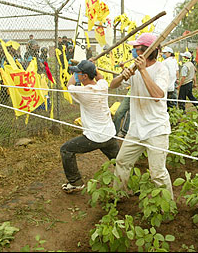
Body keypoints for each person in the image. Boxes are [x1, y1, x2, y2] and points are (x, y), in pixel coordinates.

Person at [109, 32, 173, 198]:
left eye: (138, 50)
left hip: (156, 129)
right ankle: (119, 196)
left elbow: (157, 95)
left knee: (157, 173)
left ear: (149, 52)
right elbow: (112, 85)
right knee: (122, 162)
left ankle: (168, 207)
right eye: (135, 50)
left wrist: (142, 70)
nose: (135, 53)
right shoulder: (134, 70)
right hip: (136, 129)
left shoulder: (161, 69)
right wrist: (123, 75)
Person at [60, 60, 120, 193]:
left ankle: (75, 182)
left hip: (94, 137)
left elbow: (69, 85)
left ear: (84, 76)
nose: (77, 75)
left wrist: (74, 74)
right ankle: (131, 182)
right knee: (120, 163)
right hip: (109, 133)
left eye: (78, 73)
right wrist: (93, 67)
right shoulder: (103, 86)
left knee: (66, 150)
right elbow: (101, 78)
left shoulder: (82, 91)